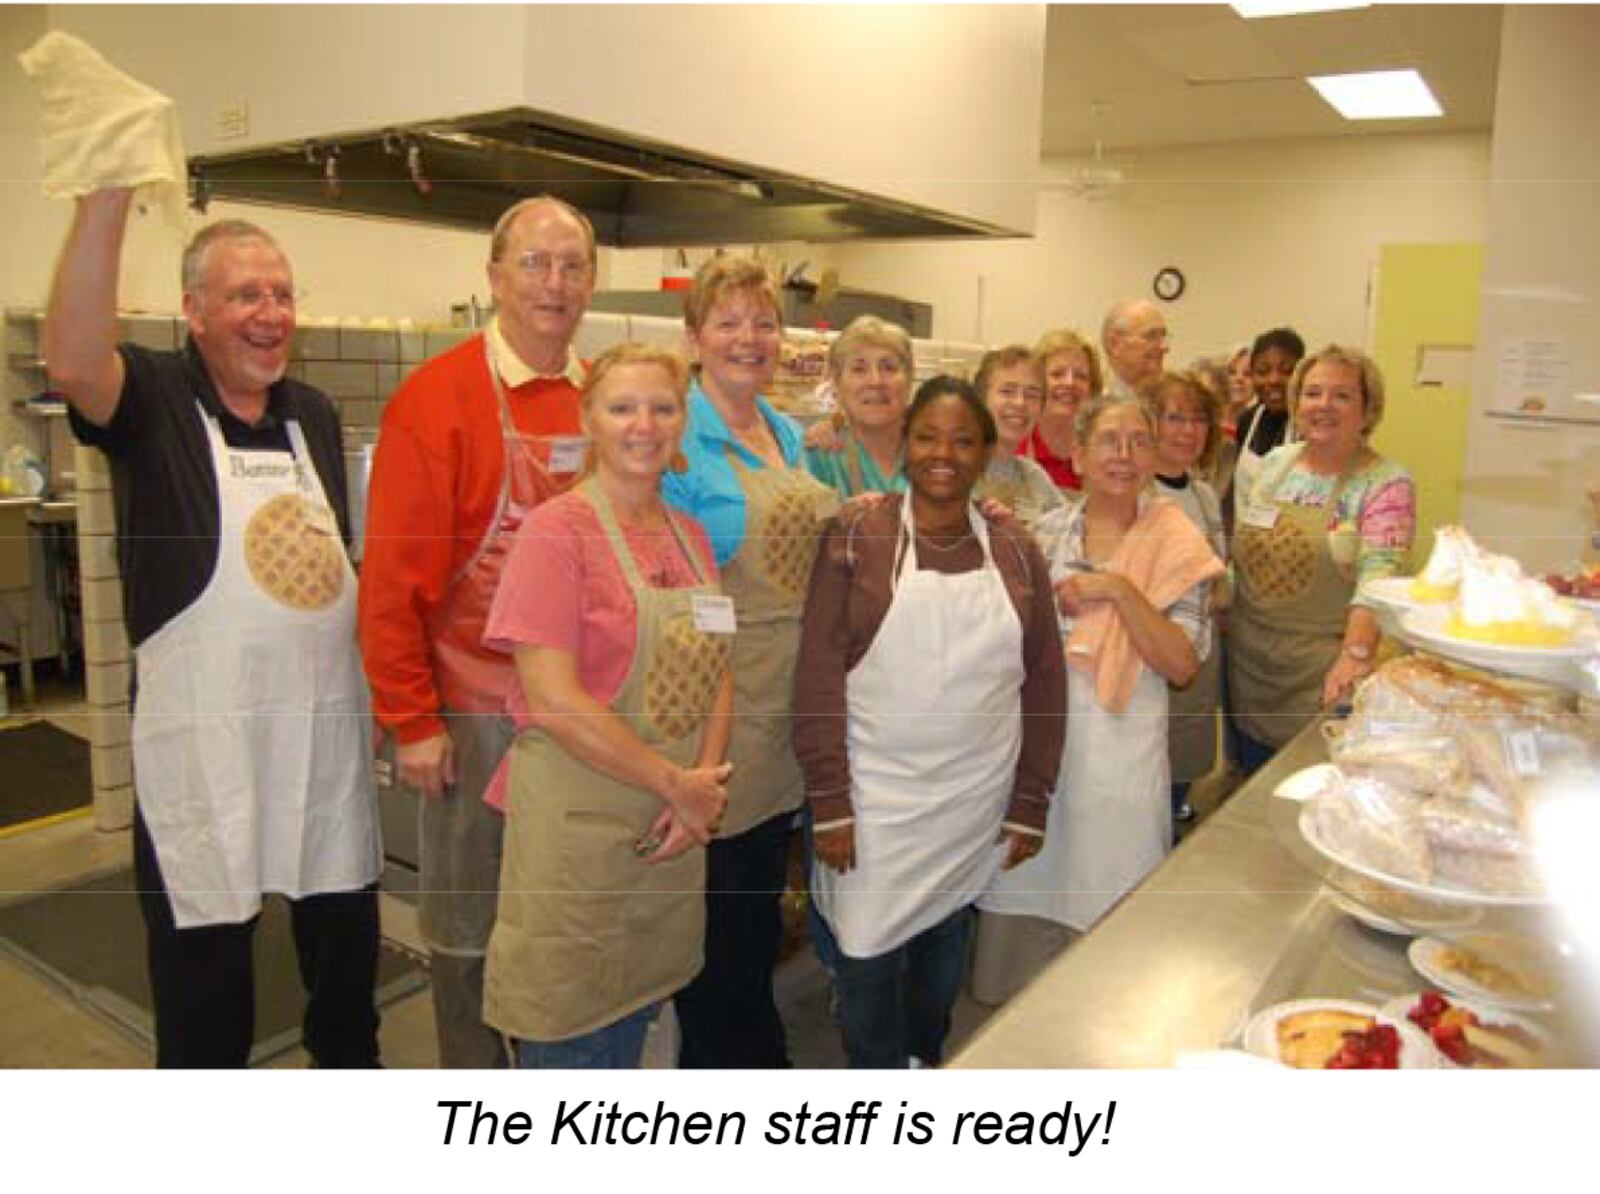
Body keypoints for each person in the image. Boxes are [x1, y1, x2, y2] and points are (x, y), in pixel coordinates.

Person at [46, 189, 381, 1067]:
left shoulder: (308, 412)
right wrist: (105, 202)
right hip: (209, 747)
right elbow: (76, 363)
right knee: (207, 994)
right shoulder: (154, 398)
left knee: (347, 978)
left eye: (282, 294)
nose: (270, 314)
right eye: (245, 296)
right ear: (194, 312)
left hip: (318, 738)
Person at [358, 196, 595, 1068]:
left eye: (571, 266)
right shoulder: (439, 398)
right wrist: (413, 722)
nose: (554, 283)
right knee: (468, 931)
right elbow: (389, 583)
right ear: (495, 277)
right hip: (474, 713)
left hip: (579, 715)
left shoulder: (603, 397)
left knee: (554, 921)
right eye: (534, 263)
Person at [794, 376, 1065, 1068]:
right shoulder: (856, 534)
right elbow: (818, 675)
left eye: (964, 439)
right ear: (905, 445)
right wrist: (829, 803)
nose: (944, 453)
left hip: (972, 796)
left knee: (945, 943)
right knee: (864, 959)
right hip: (874, 802)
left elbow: (1045, 680)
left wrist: (1030, 801)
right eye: (928, 436)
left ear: (985, 456)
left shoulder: (1014, 549)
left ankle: (926, 1057)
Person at [479, 344, 734, 1068]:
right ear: (588, 418)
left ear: (684, 419)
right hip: (581, 839)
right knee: (575, 1043)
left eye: (662, 406)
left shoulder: (688, 537)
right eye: (622, 407)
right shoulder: (556, 534)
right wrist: (674, 784)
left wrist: (705, 786)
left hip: (669, 834)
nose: (644, 425)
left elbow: (719, 669)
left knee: (641, 1032)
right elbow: (554, 700)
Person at [974, 393, 1224, 1002]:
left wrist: (1118, 591)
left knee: (1111, 911)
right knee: (1031, 884)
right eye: (1109, 440)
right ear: (1079, 454)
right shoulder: (1047, 532)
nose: (1125, 454)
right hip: (1046, 747)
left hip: (1123, 747)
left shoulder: (1176, 540)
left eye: (1140, 440)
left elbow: (1182, 662)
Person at [662, 254, 841, 1068]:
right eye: (728, 322)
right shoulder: (676, 439)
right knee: (719, 928)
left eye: (763, 322)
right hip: (718, 712)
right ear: (695, 336)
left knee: (761, 909)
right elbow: (664, 593)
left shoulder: (788, 432)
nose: (749, 338)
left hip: (787, 710)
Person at [1230, 345, 1415, 775]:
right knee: (1247, 787)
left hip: (1323, 671)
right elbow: (1246, 549)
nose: (1323, 405)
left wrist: (1354, 654)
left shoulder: (1385, 483)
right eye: (1312, 393)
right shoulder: (1275, 465)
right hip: (1250, 661)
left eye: (1342, 395)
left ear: (1368, 410)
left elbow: (1378, 579)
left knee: (1305, 789)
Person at [1151, 371, 1229, 831]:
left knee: (1185, 765)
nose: (1187, 430)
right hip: (1155, 658)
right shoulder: (1137, 494)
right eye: (1174, 418)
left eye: (1198, 419)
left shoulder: (1202, 494)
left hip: (1200, 658)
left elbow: (1218, 569)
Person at [802, 315, 912, 497]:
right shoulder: (820, 455)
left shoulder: (930, 447)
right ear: (837, 383)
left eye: (889, 367)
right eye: (859, 369)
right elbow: (816, 520)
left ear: (909, 379)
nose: (875, 381)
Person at [972, 345, 1064, 529]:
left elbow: (1069, 530)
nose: (1020, 403)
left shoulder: (1033, 476)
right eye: (1007, 391)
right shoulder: (957, 468)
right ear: (981, 400)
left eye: (1032, 395)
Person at [1230, 326, 1305, 524]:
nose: (1273, 380)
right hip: (1243, 540)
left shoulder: (1309, 428)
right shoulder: (1247, 421)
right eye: (1262, 371)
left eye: (1286, 371)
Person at [1020, 329, 1100, 492]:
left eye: (1081, 376)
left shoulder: (1102, 451)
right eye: (1057, 374)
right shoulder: (1012, 445)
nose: (1070, 383)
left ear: (1092, 389)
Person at [1100, 299, 1170, 398]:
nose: (1165, 347)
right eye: (1151, 336)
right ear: (1114, 344)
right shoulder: (1093, 405)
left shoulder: (1170, 401)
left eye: (1163, 336)